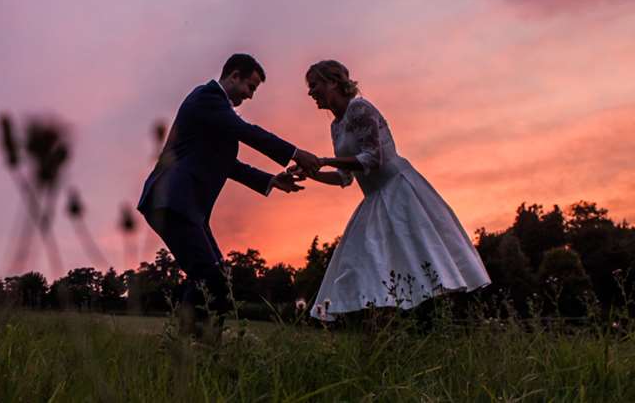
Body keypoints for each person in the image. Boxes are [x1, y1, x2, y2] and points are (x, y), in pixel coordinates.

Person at [137, 53, 319, 335]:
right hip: (171, 201)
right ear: (234, 75)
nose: (250, 95)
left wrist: (271, 179)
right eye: (251, 87)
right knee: (209, 276)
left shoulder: (215, 113)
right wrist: (295, 153)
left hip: (188, 208)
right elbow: (247, 131)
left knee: (216, 277)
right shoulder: (206, 97)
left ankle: (196, 345)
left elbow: (227, 164)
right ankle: (195, 346)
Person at [296, 60, 490, 320]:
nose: (311, 92)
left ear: (332, 81)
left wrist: (323, 160)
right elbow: (345, 177)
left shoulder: (360, 109)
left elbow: (373, 158)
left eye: (314, 85)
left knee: (423, 257)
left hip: (399, 191)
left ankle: (448, 321)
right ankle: (388, 326)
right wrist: (312, 172)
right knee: (365, 262)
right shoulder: (336, 126)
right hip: (374, 197)